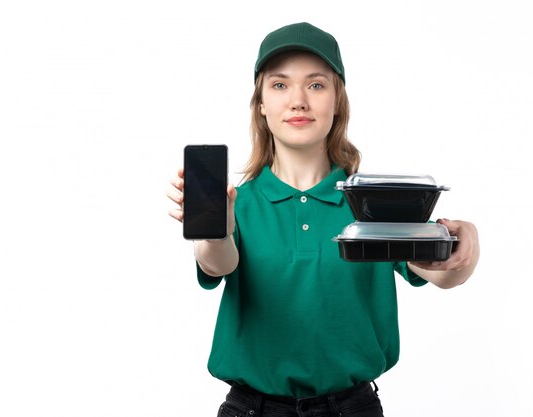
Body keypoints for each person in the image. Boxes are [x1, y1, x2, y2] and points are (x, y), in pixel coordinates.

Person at [167, 22, 480, 417]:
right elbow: (218, 263)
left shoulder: (370, 206)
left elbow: (442, 272)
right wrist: (218, 229)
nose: (298, 100)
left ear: (337, 102)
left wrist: (466, 241)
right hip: (251, 410)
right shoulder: (236, 203)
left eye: (316, 85)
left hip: (352, 409)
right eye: (280, 85)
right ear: (261, 103)